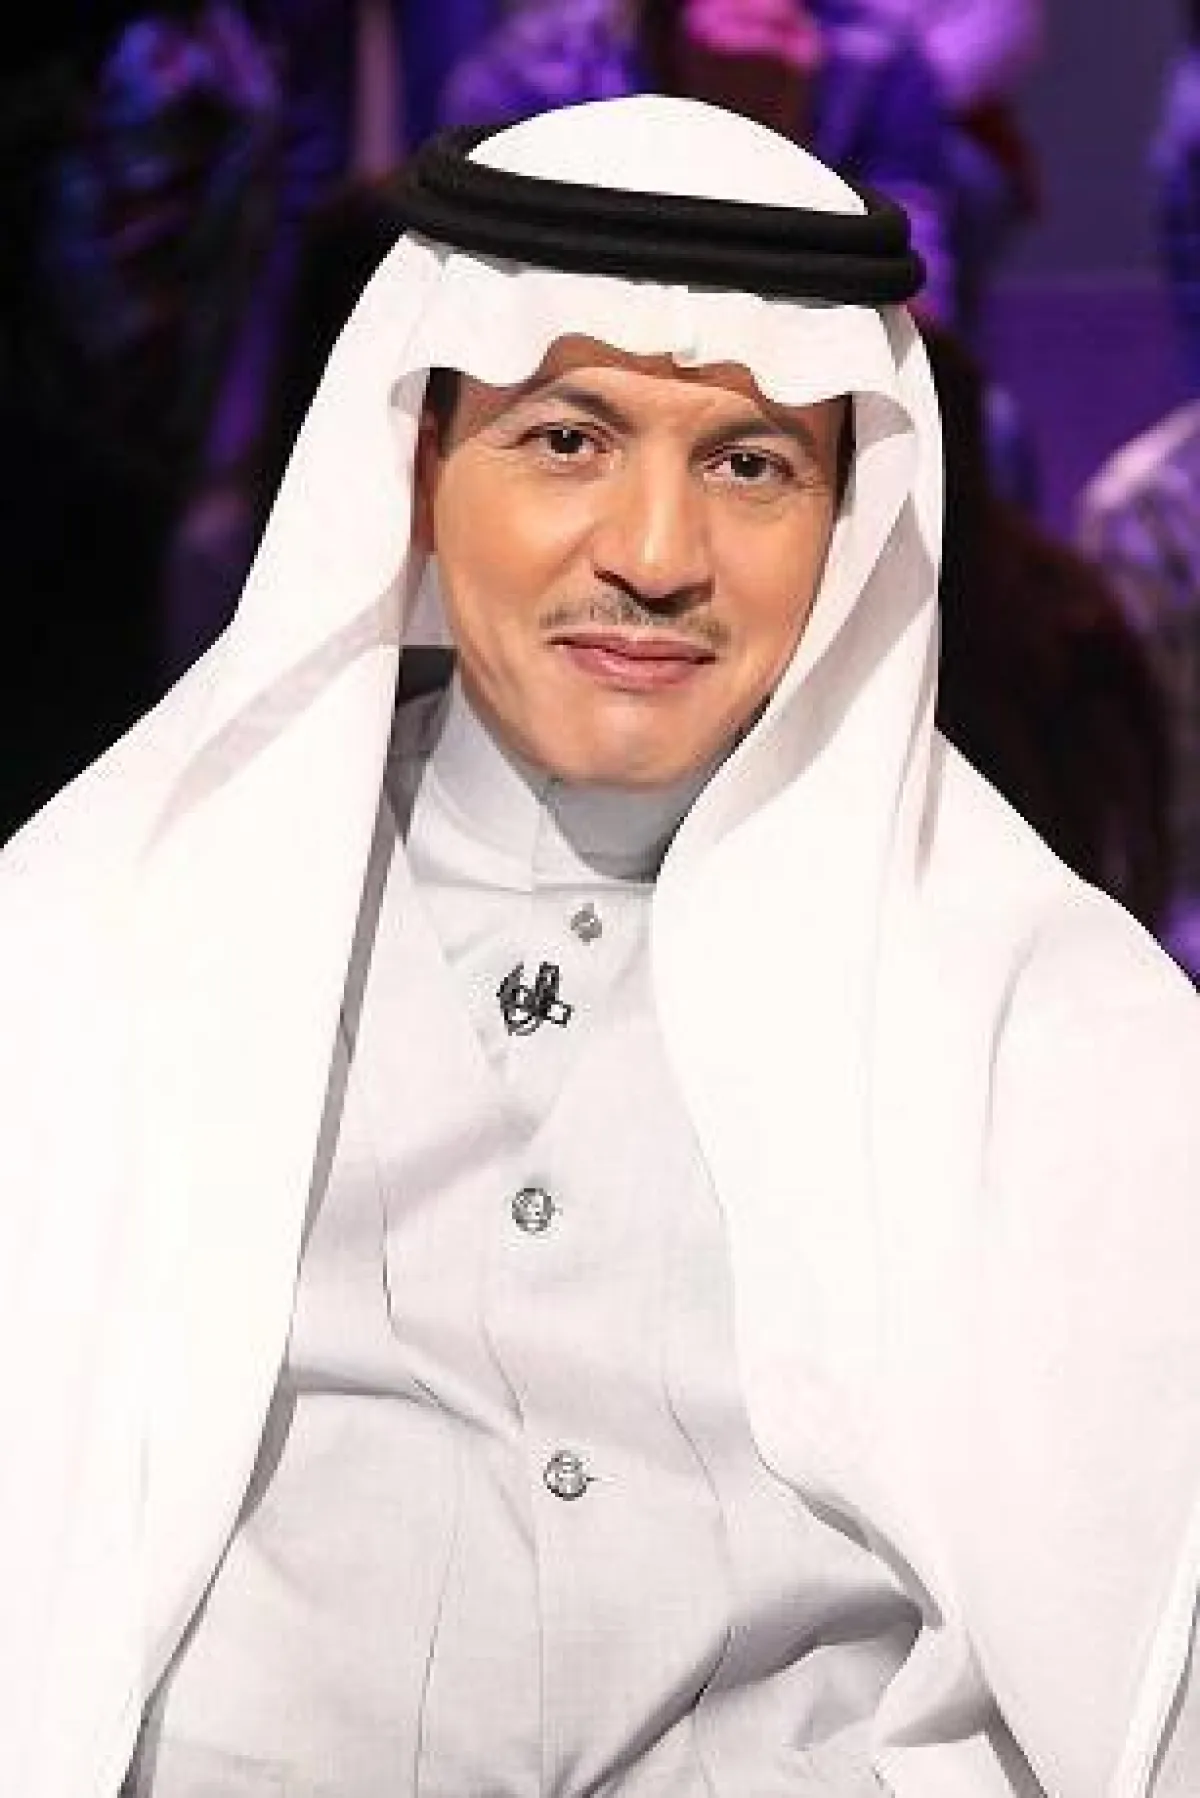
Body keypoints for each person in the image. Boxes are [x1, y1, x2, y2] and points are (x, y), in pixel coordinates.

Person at [3, 96, 1200, 1798]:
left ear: (850, 517)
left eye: (750, 464)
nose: (653, 557)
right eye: (567, 439)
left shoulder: (1053, 1032)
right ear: (422, 465)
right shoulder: (100, 952)